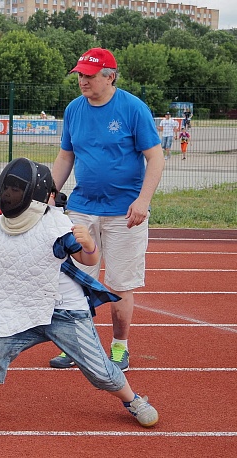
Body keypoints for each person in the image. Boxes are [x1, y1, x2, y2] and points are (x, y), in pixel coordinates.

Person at [0, 158, 159, 432]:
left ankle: (133, 400)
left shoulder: (58, 224)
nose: (12, 194)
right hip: (20, 307)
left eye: (18, 189)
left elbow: (87, 259)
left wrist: (90, 245)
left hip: (65, 311)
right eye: (10, 188)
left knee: (100, 370)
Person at [49, 48, 164, 371]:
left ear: (110, 77)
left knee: (120, 285)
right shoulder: (74, 109)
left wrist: (143, 201)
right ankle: (76, 345)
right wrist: (50, 194)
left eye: (89, 75)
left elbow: (155, 157)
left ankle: (119, 347)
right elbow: (66, 156)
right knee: (75, 282)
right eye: (80, 75)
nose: (82, 81)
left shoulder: (133, 108)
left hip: (124, 213)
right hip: (82, 208)